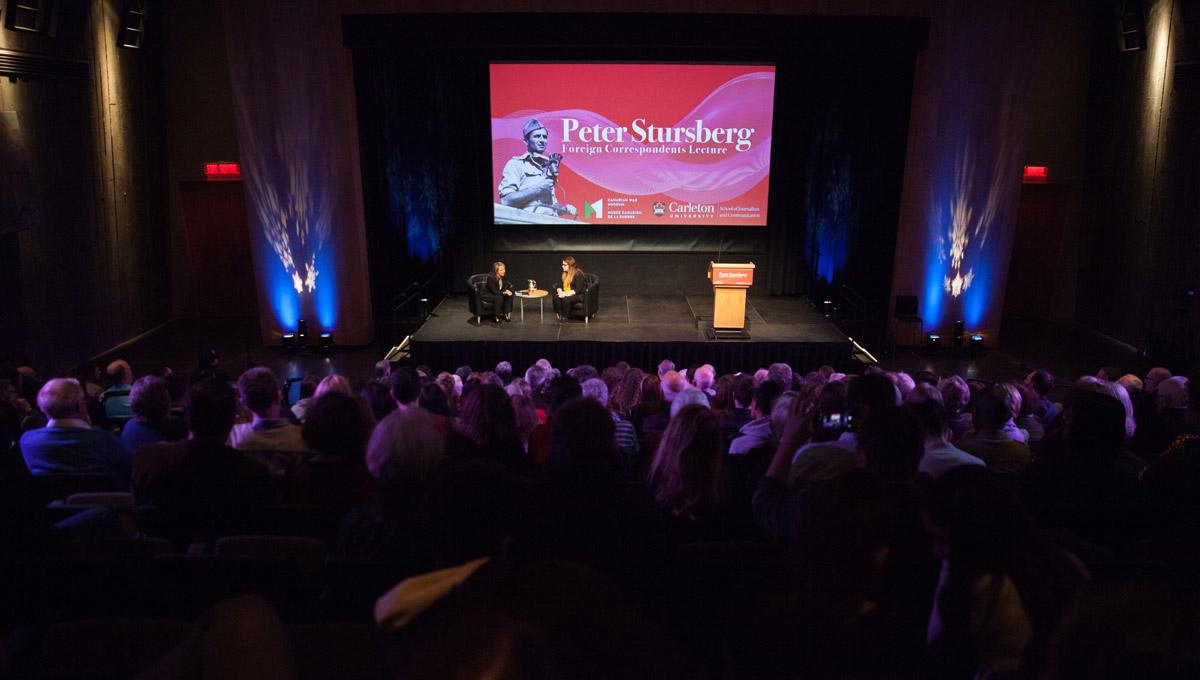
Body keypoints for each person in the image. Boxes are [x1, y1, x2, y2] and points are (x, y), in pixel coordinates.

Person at [20, 378, 135, 490]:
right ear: (80, 405)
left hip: (54, 507)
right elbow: (134, 469)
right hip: (110, 505)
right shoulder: (105, 441)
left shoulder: (27, 441)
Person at [498, 117, 576, 217]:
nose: (542, 140)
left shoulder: (548, 167)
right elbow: (506, 201)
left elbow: (551, 206)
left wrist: (563, 209)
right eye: (537, 136)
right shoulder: (516, 164)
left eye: (544, 137)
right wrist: (539, 187)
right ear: (526, 141)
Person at [553, 256, 584, 324]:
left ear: (570, 265)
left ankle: (565, 318)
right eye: (562, 264)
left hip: (577, 295)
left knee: (566, 299)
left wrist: (565, 294)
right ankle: (560, 316)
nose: (562, 266)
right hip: (567, 292)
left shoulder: (578, 274)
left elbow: (577, 290)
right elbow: (559, 284)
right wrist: (560, 291)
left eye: (564, 265)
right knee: (556, 297)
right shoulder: (565, 273)